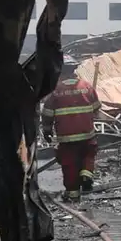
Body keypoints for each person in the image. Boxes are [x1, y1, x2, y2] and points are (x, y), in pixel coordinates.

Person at [41, 59, 101, 201]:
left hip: (66, 137)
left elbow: (47, 114)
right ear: (74, 71)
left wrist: (47, 131)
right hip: (87, 134)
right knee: (89, 154)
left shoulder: (55, 92)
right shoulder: (87, 87)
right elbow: (96, 108)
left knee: (70, 163)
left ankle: (72, 194)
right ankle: (86, 175)